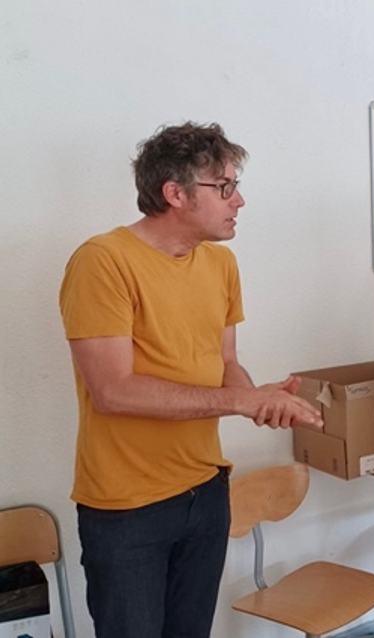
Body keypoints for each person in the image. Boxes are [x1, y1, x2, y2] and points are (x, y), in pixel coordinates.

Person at [58, 122, 324, 638]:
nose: (239, 200)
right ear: (175, 194)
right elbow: (112, 390)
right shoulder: (103, 261)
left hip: (205, 494)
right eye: (223, 187)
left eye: (236, 186)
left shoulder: (221, 264)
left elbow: (225, 361)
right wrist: (240, 402)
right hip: (128, 508)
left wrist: (258, 398)